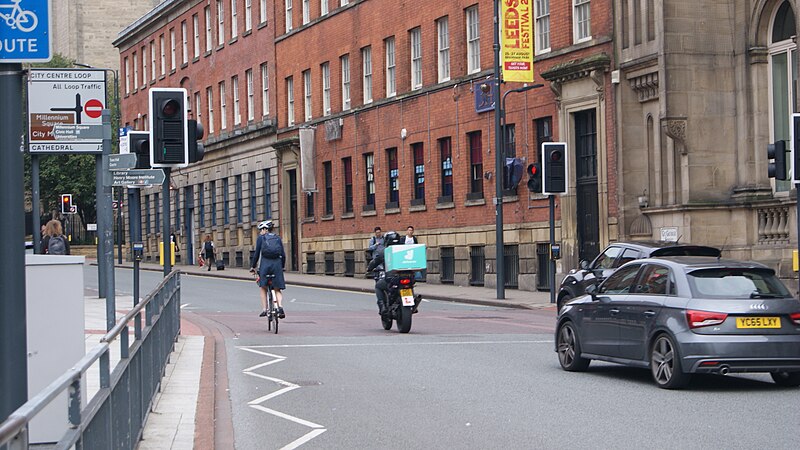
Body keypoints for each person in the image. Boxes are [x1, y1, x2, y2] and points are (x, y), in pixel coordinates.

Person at [250, 220, 286, 318]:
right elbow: (283, 254)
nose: (260, 231)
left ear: (264, 229)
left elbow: (256, 254)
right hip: (277, 266)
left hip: (265, 266)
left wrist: (253, 266)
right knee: (277, 289)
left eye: (261, 229)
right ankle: (280, 307)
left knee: (263, 287)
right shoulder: (277, 238)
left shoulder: (261, 238)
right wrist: (282, 266)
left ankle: (265, 309)